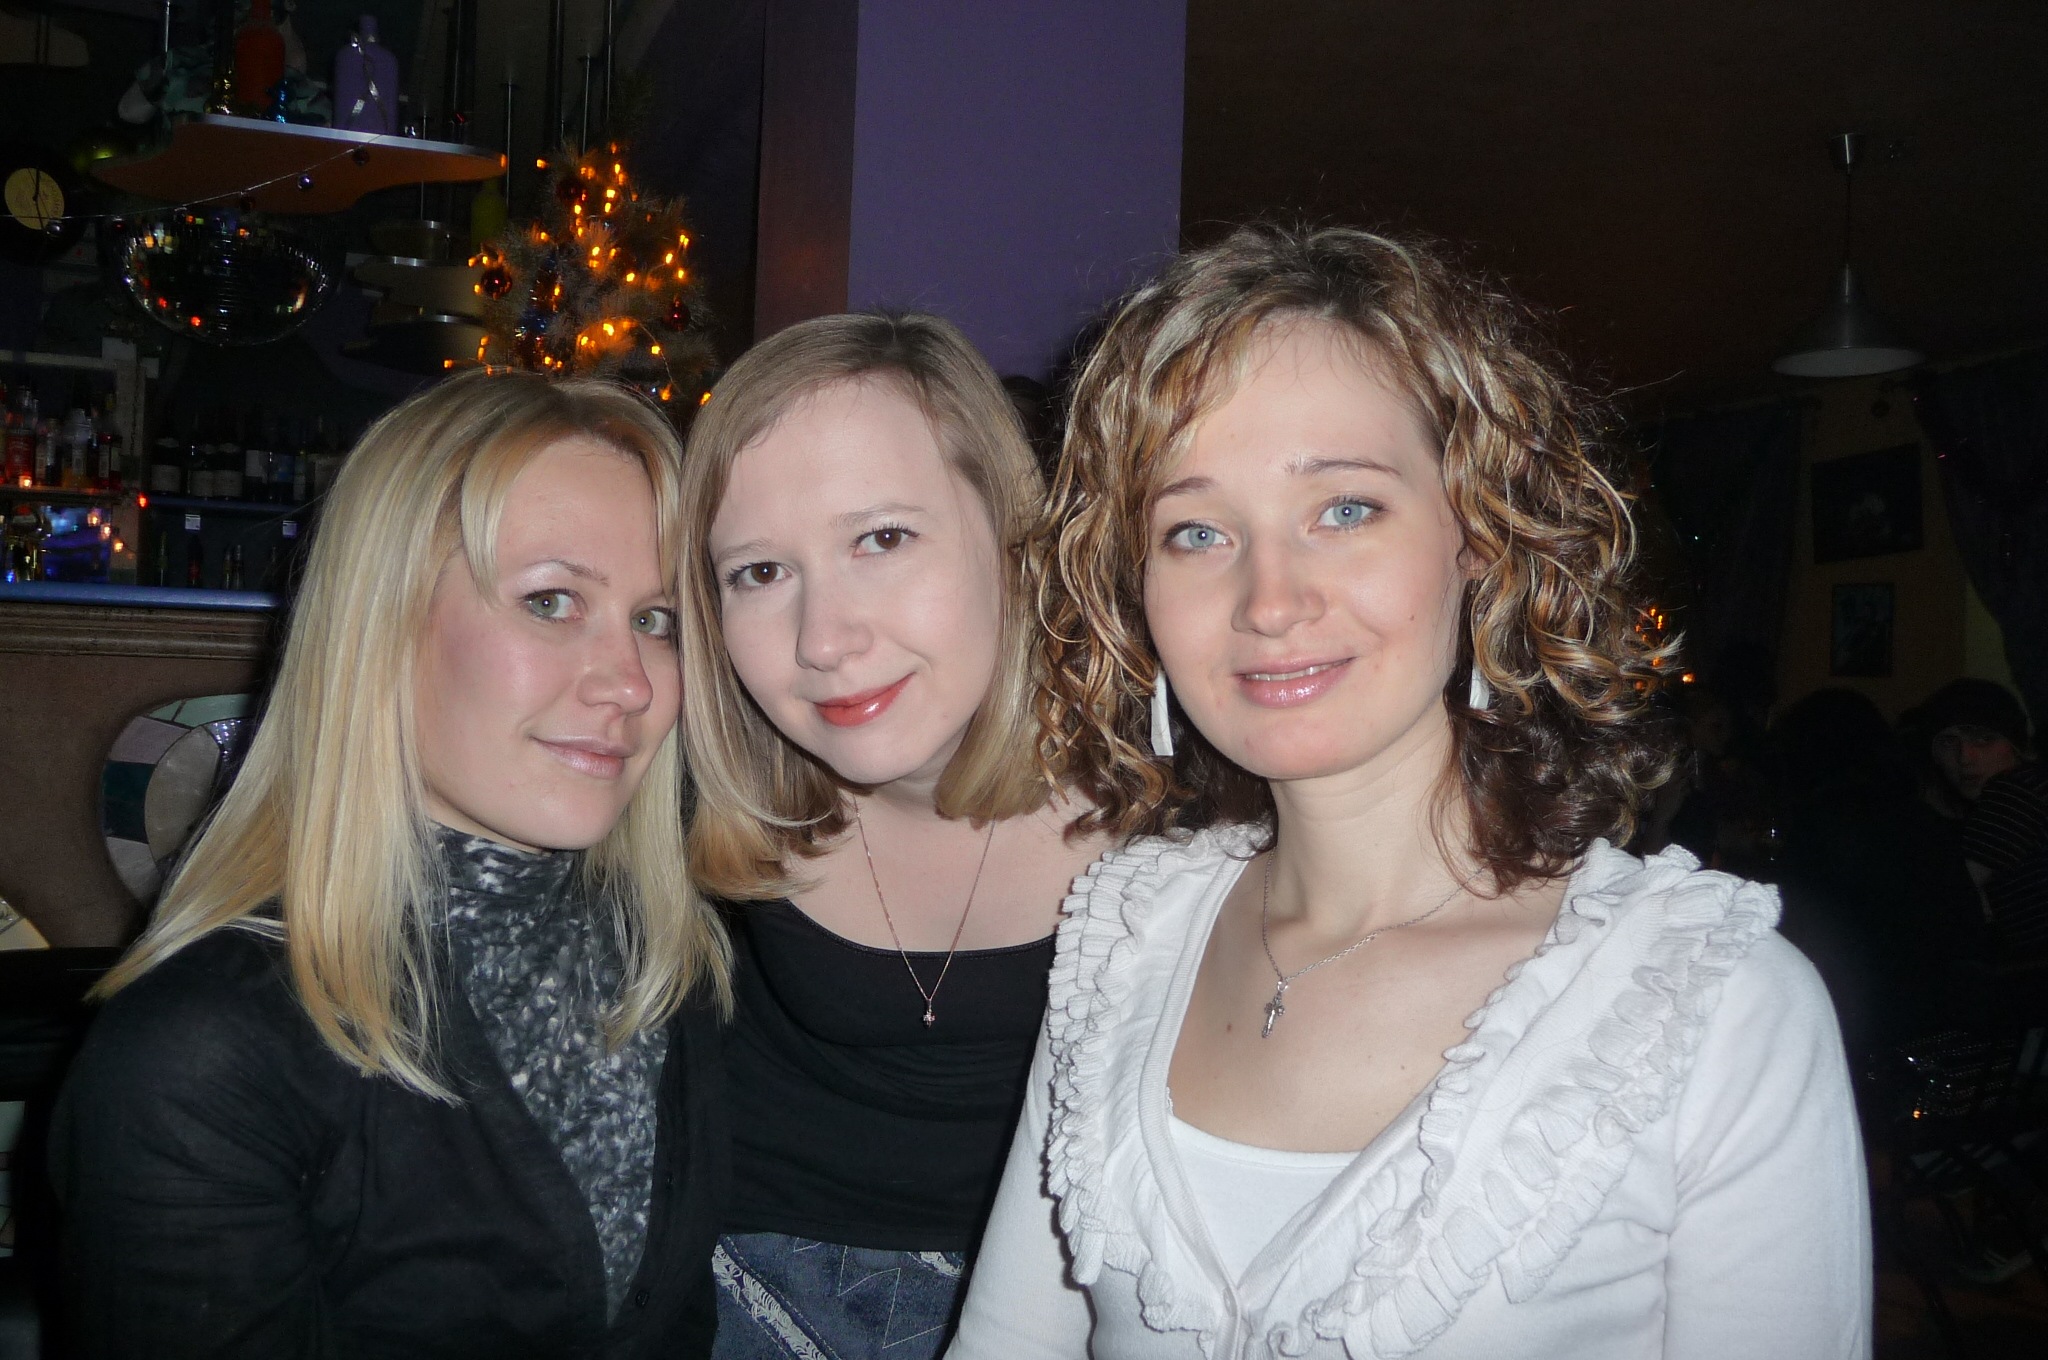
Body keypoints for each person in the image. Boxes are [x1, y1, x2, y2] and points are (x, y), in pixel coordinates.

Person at [949, 225, 1871, 1358]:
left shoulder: (1712, 1009)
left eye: (1344, 509)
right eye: (1194, 531)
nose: (1268, 600)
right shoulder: (1122, 945)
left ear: (1478, 535)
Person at [51, 373, 731, 1359]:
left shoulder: (664, 965)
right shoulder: (199, 1057)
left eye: (655, 619)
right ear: (380, 626)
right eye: (550, 601)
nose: (629, 682)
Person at [676, 313, 1111, 1359]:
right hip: (741, 1283)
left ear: (1013, 538)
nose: (824, 640)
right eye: (759, 573)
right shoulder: (681, 795)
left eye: (882, 539)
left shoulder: (1186, 801)